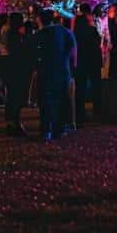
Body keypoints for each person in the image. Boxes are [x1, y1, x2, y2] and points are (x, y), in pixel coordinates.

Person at [34, 9, 76, 141]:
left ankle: (47, 130)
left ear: (41, 19)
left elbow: (34, 54)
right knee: (62, 99)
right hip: (63, 70)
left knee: (46, 101)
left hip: (46, 71)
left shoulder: (40, 34)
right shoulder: (65, 32)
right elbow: (72, 50)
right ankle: (60, 128)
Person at [0, 11, 31, 135]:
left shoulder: (6, 30)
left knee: (12, 93)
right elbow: (17, 50)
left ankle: (11, 121)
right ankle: (14, 122)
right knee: (16, 93)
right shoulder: (14, 33)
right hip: (15, 66)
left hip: (7, 64)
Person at [72, 8, 103, 125]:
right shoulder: (92, 30)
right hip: (93, 62)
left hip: (81, 63)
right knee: (96, 88)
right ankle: (98, 113)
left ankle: (80, 115)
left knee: (80, 89)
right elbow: (97, 44)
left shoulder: (75, 33)